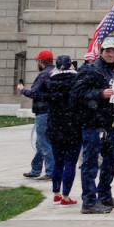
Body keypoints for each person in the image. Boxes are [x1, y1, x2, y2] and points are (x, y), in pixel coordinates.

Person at [73, 38, 114, 214]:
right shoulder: (90, 70)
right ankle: (89, 201)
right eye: (107, 50)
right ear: (101, 52)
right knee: (91, 163)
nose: (110, 54)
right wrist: (100, 94)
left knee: (110, 162)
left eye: (113, 51)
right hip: (94, 124)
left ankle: (105, 195)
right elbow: (76, 94)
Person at [36, 55, 81, 204]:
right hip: (73, 125)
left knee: (58, 161)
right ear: (71, 65)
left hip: (55, 125)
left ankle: (56, 192)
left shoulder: (49, 81)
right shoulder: (77, 82)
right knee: (70, 163)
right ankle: (66, 196)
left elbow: (38, 95)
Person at [19, 50, 56, 179]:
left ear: (41, 62)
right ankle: (35, 169)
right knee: (41, 143)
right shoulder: (54, 72)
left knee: (44, 143)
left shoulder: (44, 75)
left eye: (37, 61)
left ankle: (50, 172)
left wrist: (22, 90)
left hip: (43, 113)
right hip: (52, 112)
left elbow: (34, 93)